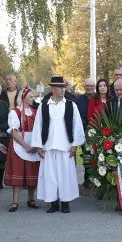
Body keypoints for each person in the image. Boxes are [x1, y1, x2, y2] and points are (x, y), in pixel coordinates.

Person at [31, 76, 85, 213]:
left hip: (65, 145)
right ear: (53, 89)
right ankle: (53, 202)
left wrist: (75, 145)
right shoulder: (44, 105)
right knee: (50, 175)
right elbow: (38, 125)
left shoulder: (70, 105)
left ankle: (65, 202)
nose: (63, 89)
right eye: (60, 87)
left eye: (64, 87)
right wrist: (38, 145)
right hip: (48, 146)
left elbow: (77, 125)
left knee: (65, 175)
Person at [4, 86, 40, 212]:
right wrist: (25, 146)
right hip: (19, 144)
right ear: (24, 97)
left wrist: (35, 145)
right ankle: (15, 202)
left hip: (32, 143)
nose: (33, 99)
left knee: (32, 172)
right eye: (31, 96)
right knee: (18, 173)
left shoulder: (35, 112)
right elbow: (13, 132)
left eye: (33, 96)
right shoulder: (15, 112)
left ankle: (31, 199)